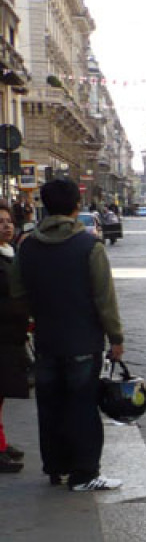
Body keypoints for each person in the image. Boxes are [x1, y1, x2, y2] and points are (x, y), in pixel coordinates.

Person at [9, 179, 124, 491]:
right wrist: (116, 338)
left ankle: (56, 468)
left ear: (46, 206)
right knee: (83, 407)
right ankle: (85, 473)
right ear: (76, 206)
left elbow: (18, 294)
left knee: (50, 407)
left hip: (46, 341)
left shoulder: (27, 245)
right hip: (83, 342)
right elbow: (104, 299)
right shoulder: (89, 247)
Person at [0, 202, 28, 473]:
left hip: (10, 336)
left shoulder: (12, 252)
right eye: (0, 222)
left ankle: (1, 442)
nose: (6, 225)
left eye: (8, 221)